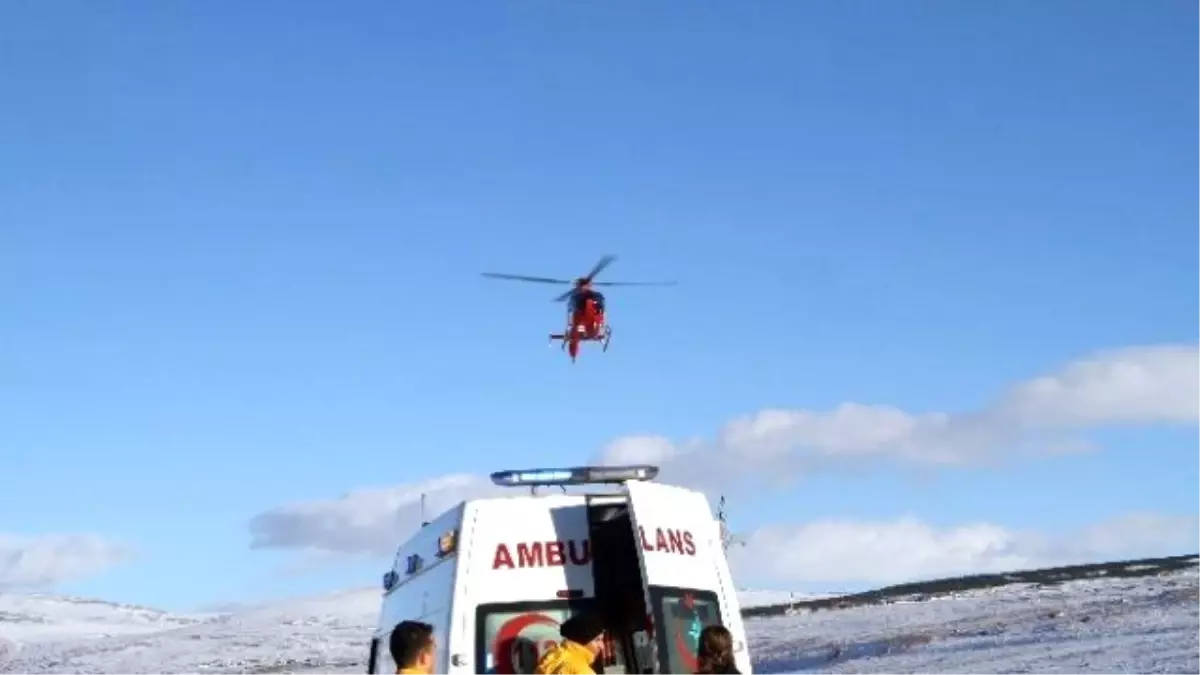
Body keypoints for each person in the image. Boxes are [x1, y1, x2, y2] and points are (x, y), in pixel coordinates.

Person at [535, 612, 607, 675]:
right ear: (583, 639)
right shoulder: (582, 671)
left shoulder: (551, 657)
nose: (602, 646)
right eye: (598, 640)